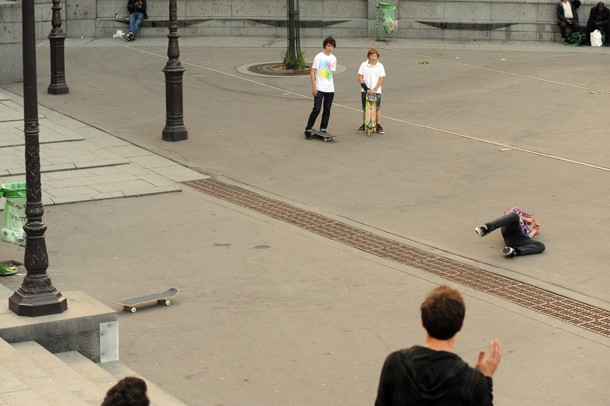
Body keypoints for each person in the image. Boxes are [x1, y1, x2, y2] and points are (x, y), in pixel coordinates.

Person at [374, 286, 502, 406]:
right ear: (460, 326)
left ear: (423, 322)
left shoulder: (394, 363)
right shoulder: (471, 382)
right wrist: (485, 381)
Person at [475, 207, 545, 257]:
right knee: (514, 216)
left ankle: (514, 251)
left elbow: (528, 238)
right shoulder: (518, 211)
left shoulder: (526, 229)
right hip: (509, 231)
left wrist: (535, 230)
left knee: (541, 246)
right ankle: (486, 229)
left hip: (515, 241)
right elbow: (508, 214)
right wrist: (525, 218)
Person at [304, 36, 337, 140]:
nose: (330, 48)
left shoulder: (333, 58)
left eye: (332, 46)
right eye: (328, 46)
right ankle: (308, 129)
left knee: (327, 110)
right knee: (317, 109)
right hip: (319, 87)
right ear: (325, 45)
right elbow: (312, 72)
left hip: (330, 88)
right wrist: (314, 87)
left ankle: (323, 128)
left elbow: (330, 72)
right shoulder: (319, 57)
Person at [357, 48, 386, 134]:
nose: (374, 58)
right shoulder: (363, 65)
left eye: (375, 56)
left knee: (377, 108)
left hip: (376, 91)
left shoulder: (380, 66)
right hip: (365, 91)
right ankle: (364, 124)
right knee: (365, 108)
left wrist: (375, 89)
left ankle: (378, 125)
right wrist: (367, 89)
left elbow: (381, 79)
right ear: (369, 56)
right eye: (372, 56)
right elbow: (360, 77)